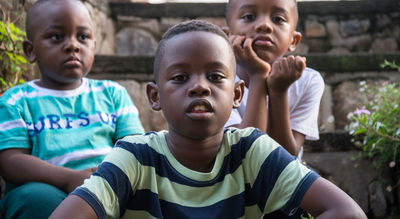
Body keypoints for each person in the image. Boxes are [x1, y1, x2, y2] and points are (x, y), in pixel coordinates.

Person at [50, 20, 366, 219]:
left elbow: (346, 211)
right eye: (180, 77)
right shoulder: (135, 157)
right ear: (155, 96)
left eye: (215, 76)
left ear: (238, 94)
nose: (200, 85)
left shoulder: (253, 151)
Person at [0, 0, 145, 219]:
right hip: (50, 190)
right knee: (32, 199)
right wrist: (68, 178)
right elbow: (11, 161)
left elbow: (135, 148)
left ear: (94, 46)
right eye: (57, 37)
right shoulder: (16, 100)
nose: (72, 46)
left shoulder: (113, 94)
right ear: (30, 50)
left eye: (83, 37)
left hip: (109, 187)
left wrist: (109, 180)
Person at [224, 0, 325, 158]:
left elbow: (286, 160)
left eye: (278, 19)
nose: (264, 25)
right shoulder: (217, 80)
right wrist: (258, 76)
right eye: (249, 16)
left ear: (294, 40)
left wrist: (279, 91)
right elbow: (246, 154)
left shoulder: (307, 81)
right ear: (227, 35)